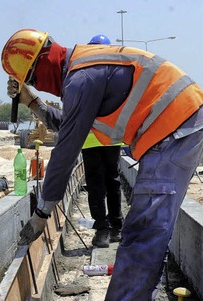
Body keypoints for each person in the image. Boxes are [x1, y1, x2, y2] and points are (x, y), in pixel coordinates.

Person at [1, 29, 203, 300]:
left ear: (44, 59)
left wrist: (43, 212)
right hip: (175, 129)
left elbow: (65, 150)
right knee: (147, 231)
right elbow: (66, 123)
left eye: (33, 78)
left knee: (143, 231)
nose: (39, 85)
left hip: (176, 128)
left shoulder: (82, 77)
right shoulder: (80, 71)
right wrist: (31, 101)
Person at [79, 34, 124, 248]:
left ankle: (110, 227)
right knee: (105, 182)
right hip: (97, 138)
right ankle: (108, 227)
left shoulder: (87, 74)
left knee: (106, 182)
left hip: (106, 138)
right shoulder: (113, 74)